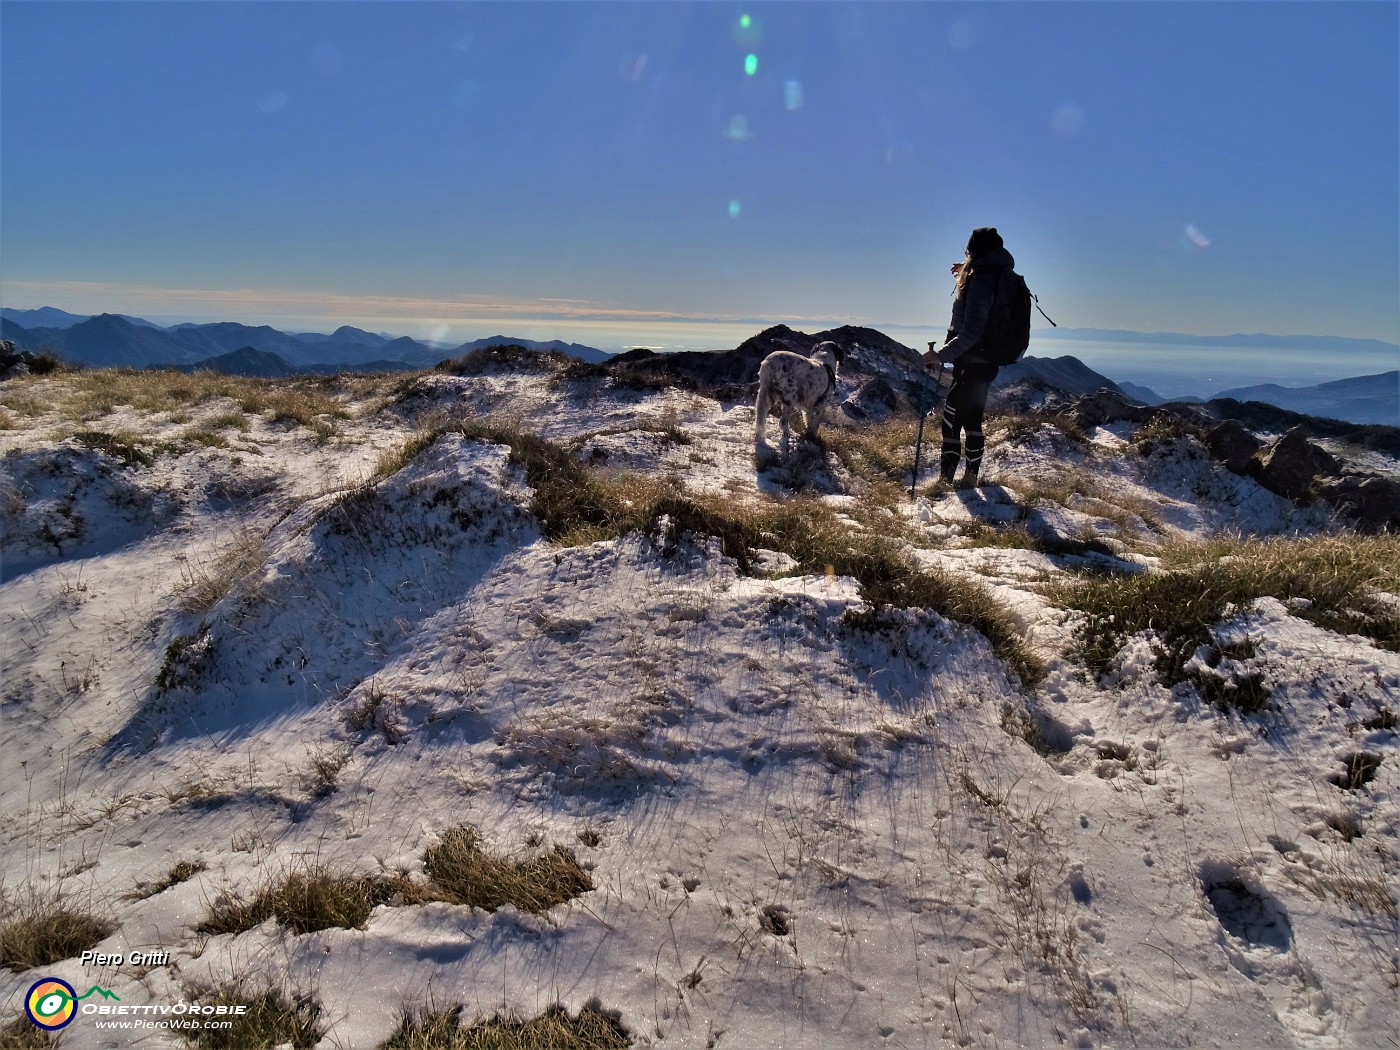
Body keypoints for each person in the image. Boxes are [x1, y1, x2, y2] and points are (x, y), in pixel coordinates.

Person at [922, 227, 1016, 489]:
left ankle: (944, 483)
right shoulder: (999, 272)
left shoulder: (981, 279)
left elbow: (972, 330)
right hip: (988, 362)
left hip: (972, 362)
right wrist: (965, 268)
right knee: (973, 419)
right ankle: (970, 478)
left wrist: (939, 355)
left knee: (951, 421)